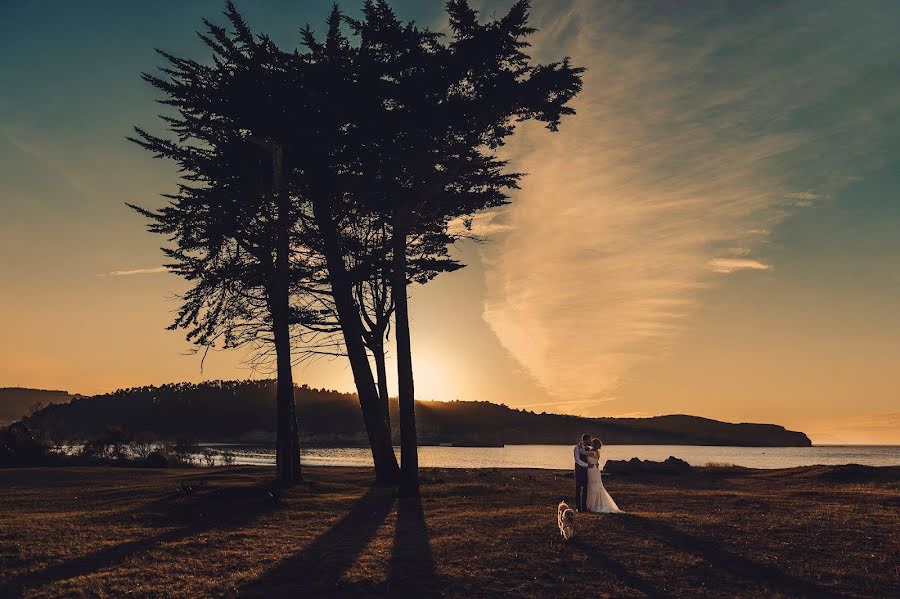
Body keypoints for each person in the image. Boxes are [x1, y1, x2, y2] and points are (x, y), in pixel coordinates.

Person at [586, 438, 622, 513]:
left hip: (592, 470)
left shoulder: (592, 452)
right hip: (595, 470)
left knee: (592, 487)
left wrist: (580, 447)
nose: (590, 443)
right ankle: (594, 504)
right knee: (595, 487)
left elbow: (582, 453)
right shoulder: (597, 452)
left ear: (594, 444)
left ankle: (593, 505)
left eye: (592, 442)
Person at [573, 433, 591, 511]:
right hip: (579, 471)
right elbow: (577, 460)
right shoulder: (577, 448)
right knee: (578, 489)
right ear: (585, 440)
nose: (590, 441)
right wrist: (587, 465)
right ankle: (578, 507)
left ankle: (584, 507)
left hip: (587, 472)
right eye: (589, 440)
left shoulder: (588, 449)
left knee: (585, 489)